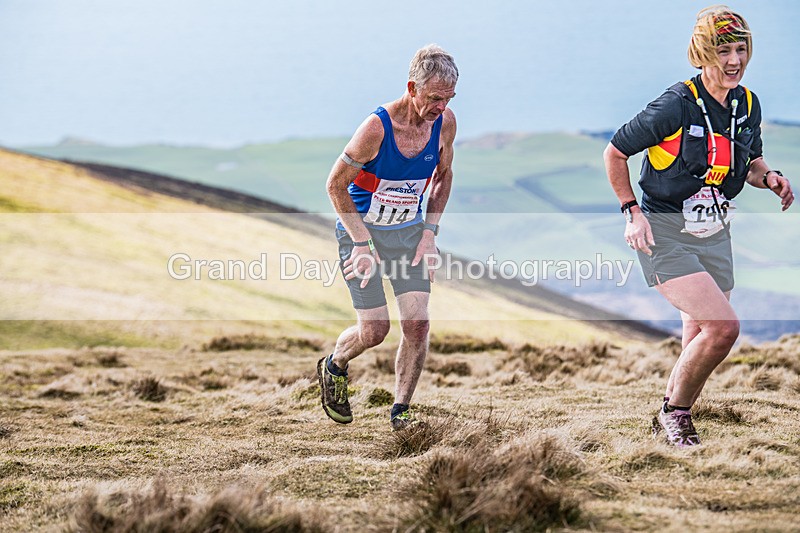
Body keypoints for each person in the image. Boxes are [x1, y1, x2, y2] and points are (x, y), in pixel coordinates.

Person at [604, 6, 793, 447]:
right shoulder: (674, 105)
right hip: (663, 229)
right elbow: (615, 152)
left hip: (714, 232)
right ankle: (676, 413)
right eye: (723, 50)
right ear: (703, 53)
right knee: (723, 328)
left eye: (740, 49)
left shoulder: (747, 104)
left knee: (698, 330)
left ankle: (669, 413)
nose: (734, 60)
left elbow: (749, 160)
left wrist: (769, 178)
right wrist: (631, 211)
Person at [318, 44, 457, 431]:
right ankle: (334, 365)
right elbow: (335, 186)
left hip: (409, 234)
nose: (440, 107)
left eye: (448, 99)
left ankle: (401, 413)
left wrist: (429, 234)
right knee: (374, 331)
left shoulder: (444, 124)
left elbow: (444, 176)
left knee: (417, 325)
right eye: (433, 98)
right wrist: (361, 243)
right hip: (361, 232)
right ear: (411, 88)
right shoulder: (376, 129)